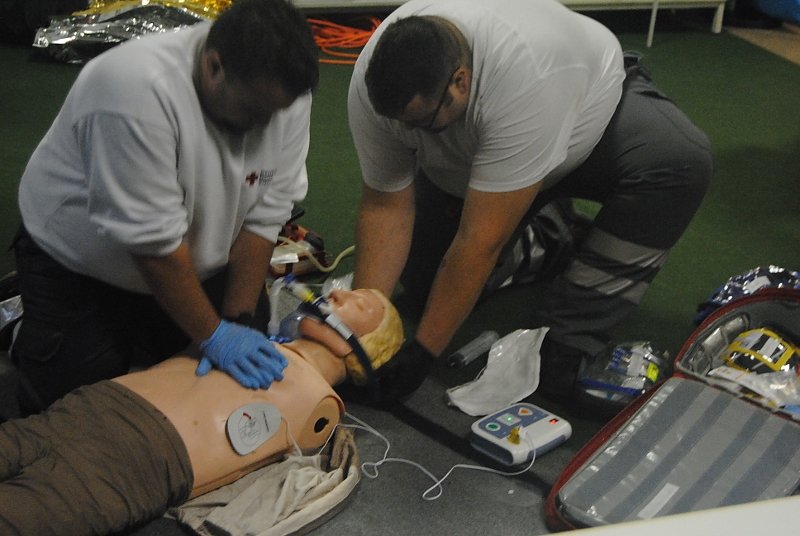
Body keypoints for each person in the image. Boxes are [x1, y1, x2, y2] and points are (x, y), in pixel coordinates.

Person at [347, 0, 713, 400]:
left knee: (679, 161)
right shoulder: (374, 86)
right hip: (485, 153)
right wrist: (358, 334)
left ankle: (572, 331)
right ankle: (550, 236)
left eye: (419, 123)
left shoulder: (524, 76)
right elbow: (385, 206)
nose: (408, 133)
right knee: (424, 287)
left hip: (588, 117)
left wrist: (423, 353)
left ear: (460, 81)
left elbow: (478, 242)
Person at [11, 0, 319, 414]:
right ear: (214, 66)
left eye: (275, 114)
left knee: (222, 390)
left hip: (194, 255)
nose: (266, 125)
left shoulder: (283, 94)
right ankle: (28, 330)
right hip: (81, 265)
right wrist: (214, 336)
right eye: (254, 112)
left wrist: (239, 322)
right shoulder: (133, 89)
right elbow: (154, 248)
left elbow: (266, 215)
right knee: (74, 411)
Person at [0, 288, 403, 536]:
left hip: (130, 464)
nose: (338, 295)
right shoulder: (244, 337)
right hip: (86, 407)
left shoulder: (321, 406)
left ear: (366, 350)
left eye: (359, 303)